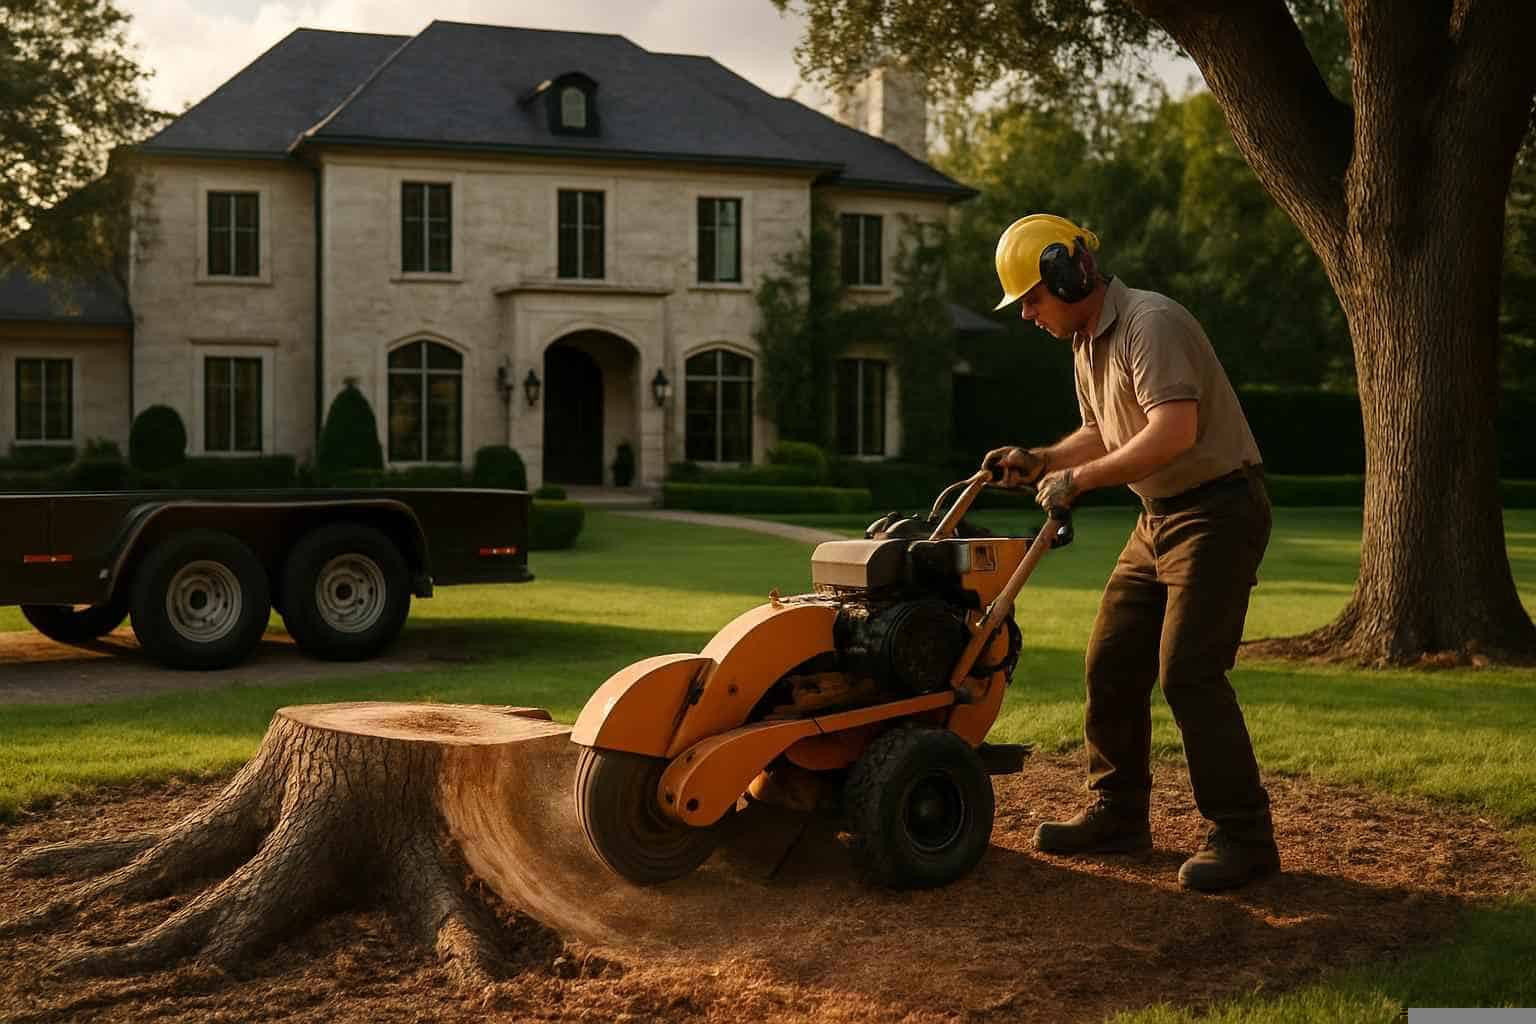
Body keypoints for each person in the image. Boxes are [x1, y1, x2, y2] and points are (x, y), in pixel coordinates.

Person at [983, 213, 1278, 892]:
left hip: (1218, 510)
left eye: (1031, 297)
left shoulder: (1152, 323)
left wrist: (1077, 481)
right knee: (1112, 660)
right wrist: (1042, 460)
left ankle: (1244, 837)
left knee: (1189, 674)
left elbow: (1172, 431)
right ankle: (1119, 814)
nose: (1027, 314)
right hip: (1159, 517)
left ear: (1069, 273)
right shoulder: (1086, 343)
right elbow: (1099, 431)